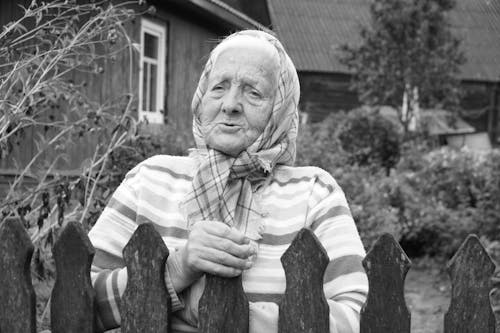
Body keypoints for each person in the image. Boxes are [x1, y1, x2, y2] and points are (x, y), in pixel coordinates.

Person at [88, 29, 368, 333]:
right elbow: (75, 305)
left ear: (280, 109)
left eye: (253, 92)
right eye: (219, 87)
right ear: (201, 99)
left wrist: (235, 319)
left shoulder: (315, 193)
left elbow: (362, 316)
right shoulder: (149, 180)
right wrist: (176, 270)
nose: (230, 104)